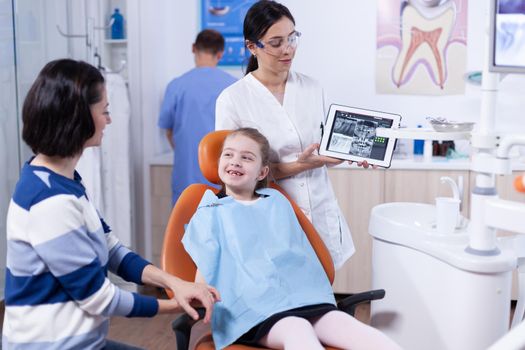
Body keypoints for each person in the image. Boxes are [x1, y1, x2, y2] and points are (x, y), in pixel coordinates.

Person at [2, 59, 220, 350]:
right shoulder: (49, 202)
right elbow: (99, 298)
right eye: (104, 110)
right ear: (77, 117)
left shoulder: (63, 181)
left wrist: (177, 284)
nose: (109, 120)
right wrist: (176, 304)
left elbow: (113, 250)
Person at [182, 128, 400, 350]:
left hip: (305, 299)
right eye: (228, 155)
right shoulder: (210, 211)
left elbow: (298, 256)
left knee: (349, 327)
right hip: (251, 311)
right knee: (296, 329)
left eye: (247, 158)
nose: (236, 162)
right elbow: (205, 271)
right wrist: (201, 306)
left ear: (262, 172)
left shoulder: (276, 200)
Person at [215, 0, 371, 269]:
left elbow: (322, 147)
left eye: (292, 38)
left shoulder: (312, 88)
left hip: (321, 213)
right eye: (276, 42)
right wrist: (301, 165)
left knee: (321, 292)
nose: (288, 49)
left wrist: (343, 153)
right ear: (252, 47)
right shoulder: (233, 99)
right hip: (270, 218)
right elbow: (236, 175)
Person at [159, 29, 237, 206]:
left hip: (186, 178)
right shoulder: (233, 86)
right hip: (224, 178)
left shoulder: (176, 86)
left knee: (186, 229)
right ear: (220, 53)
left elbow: (169, 132)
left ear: (193, 48)